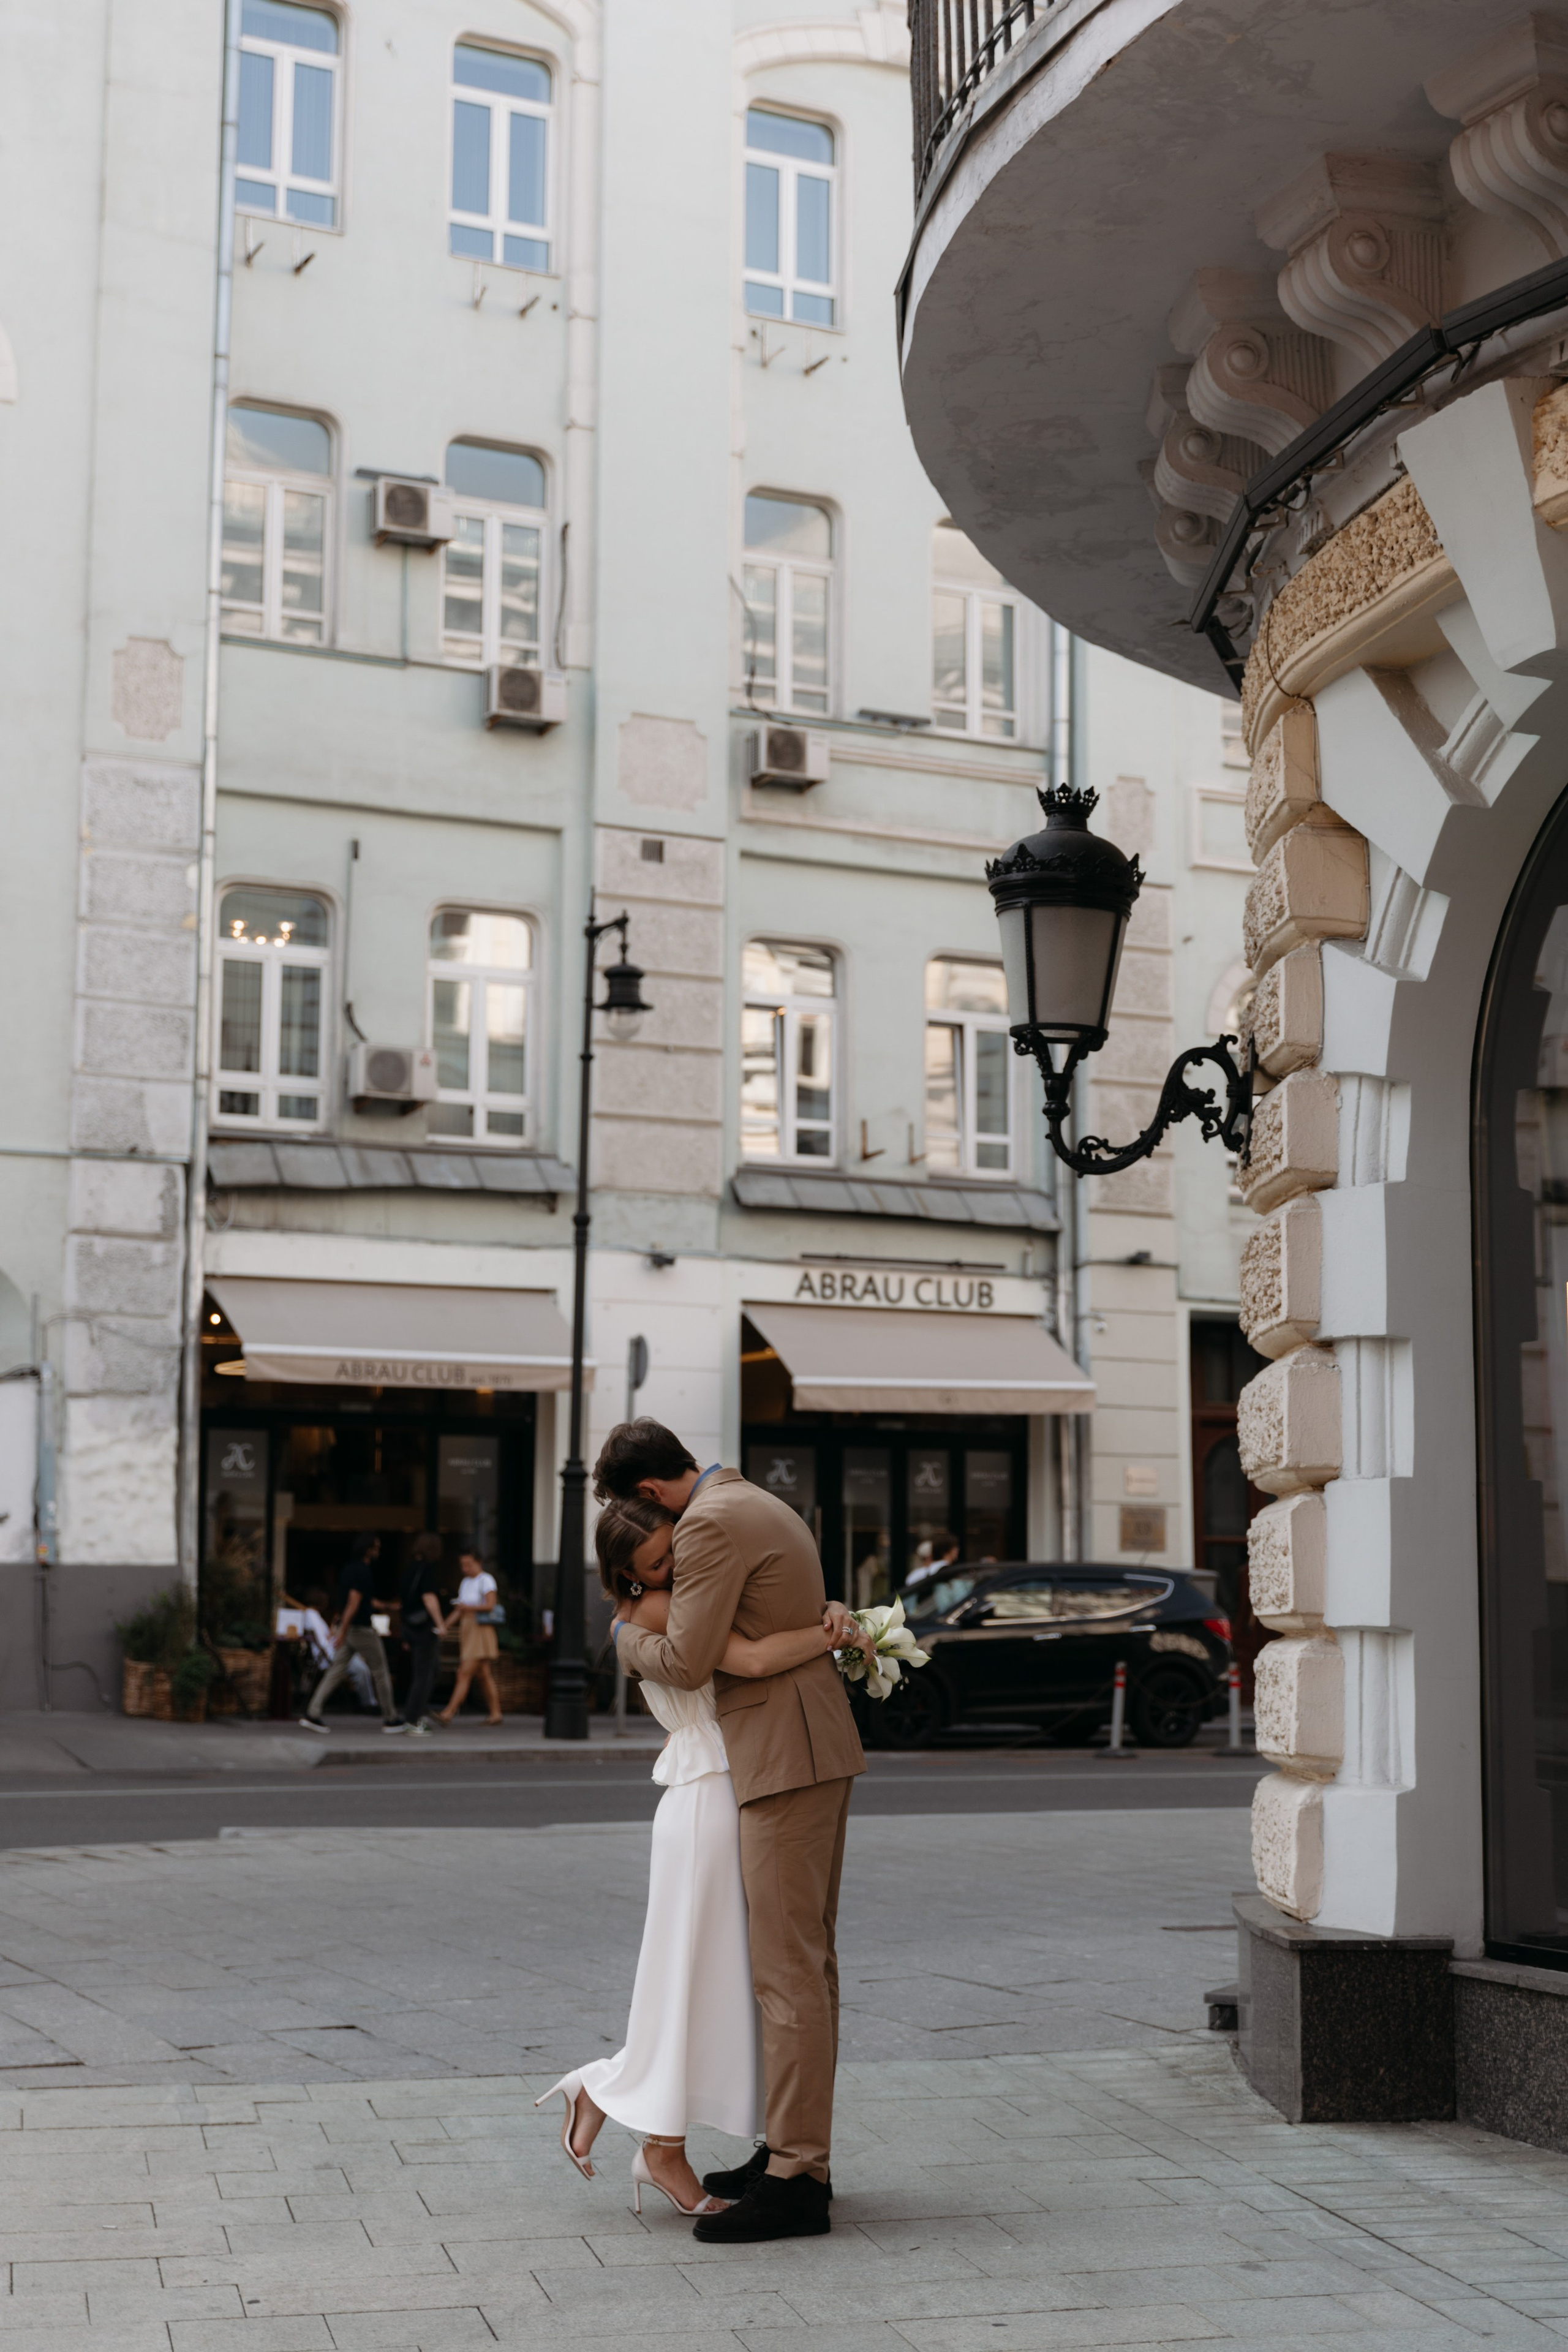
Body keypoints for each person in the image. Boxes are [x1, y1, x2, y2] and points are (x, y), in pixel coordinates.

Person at [537, 1494, 872, 2222]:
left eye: (674, 1549)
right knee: (699, 1976)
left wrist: (831, 1612)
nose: (674, 1564)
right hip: (712, 1793)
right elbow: (750, 1656)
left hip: (724, 1788)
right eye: (657, 1562)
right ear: (629, 1577)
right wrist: (835, 1631)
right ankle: (650, 2132)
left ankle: (625, 2104)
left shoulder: (684, 1599)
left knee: (708, 1978)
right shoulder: (657, 1614)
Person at [298, 1534, 405, 1735]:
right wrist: (344, 1630)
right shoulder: (363, 1571)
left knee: (336, 1671)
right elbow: (355, 1603)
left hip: (350, 1629)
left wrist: (387, 1606)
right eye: (376, 1547)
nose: (378, 1551)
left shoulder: (348, 1570)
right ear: (368, 1549)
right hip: (360, 1630)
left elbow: (361, 1600)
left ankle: (312, 1712)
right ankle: (390, 1718)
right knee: (381, 1671)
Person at [437, 1545, 503, 1725]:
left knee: (463, 1672)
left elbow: (491, 1605)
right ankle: (496, 1713)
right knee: (484, 1675)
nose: (466, 1568)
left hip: (480, 1629)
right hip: (468, 1628)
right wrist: (443, 1626)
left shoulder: (486, 1580)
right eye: (463, 1565)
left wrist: (469, 1608)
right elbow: (459, 1610)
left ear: (478, 1562)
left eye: (469, 1564)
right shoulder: (465, 1582)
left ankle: (448, 1712)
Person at [401, 1534, 449, 1735]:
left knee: (430, 1670)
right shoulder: (428, 1569)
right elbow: (429, 1598)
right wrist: (441, 1625)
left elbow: (404, 1603)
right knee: (425, 1674)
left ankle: (417, 1713)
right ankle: (413, 1718)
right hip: (424, 1629)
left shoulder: (410, 1569)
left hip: (410, 1627)